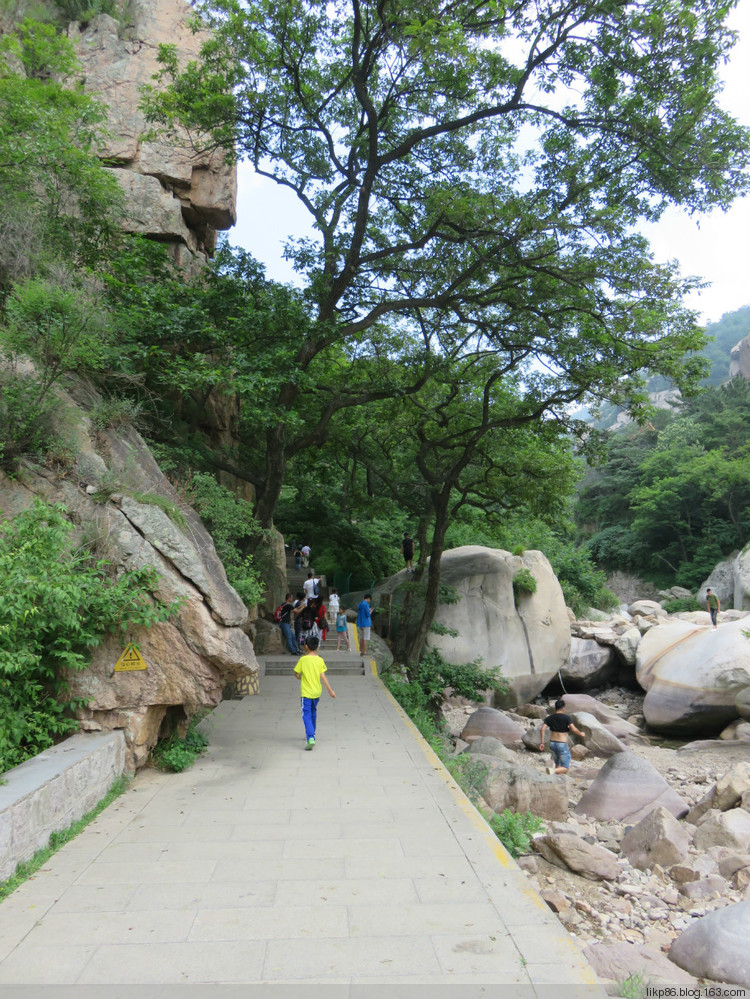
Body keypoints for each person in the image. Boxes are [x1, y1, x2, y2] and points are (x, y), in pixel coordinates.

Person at [294, 635, 336, 750]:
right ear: (317, 647)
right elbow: (323, 677)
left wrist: (300, 677)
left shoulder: (303, 659)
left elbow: (297, 674)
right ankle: (312, 733)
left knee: (306, 714)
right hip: (317, 693)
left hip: (306, 693)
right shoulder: (319, 660)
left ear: (306, 646)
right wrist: (331, 691)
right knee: (313, 712)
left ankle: (310, 737)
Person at [540, 698, 585, 775]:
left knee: (558, 764)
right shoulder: (566, 718)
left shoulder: (550, 718)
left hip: (552, 744)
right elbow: (573, 729)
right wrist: (580, 733)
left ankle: (557, 781)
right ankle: (552, 771)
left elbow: (542, 729)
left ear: (555, 708)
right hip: (562, 744)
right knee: (565, 768)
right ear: (563, 708)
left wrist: (542, 742)